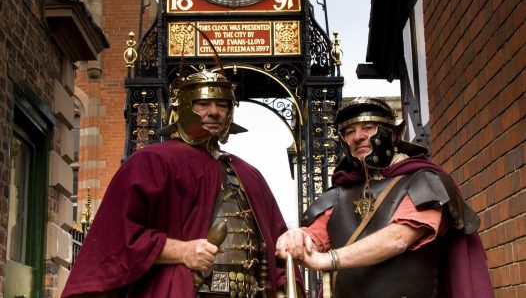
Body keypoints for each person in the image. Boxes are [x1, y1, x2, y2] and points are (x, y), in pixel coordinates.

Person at [62, 70, 302, 297]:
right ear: (182, 107)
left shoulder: (249, 174)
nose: (214, 111)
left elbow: (277, 243)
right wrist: (182, 251)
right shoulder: (153, 161)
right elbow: (118, 236)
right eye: (202, 103)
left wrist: (282, 286)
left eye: (222, 104)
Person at [275, 97, 494, 298]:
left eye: (368, 128)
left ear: (393, 133)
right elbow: (314, 237)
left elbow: (398, 238)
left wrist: (330, 259)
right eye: (349, 131)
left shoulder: (424, 181)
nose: (358, 136)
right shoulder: (338, 195)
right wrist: (295, 238)